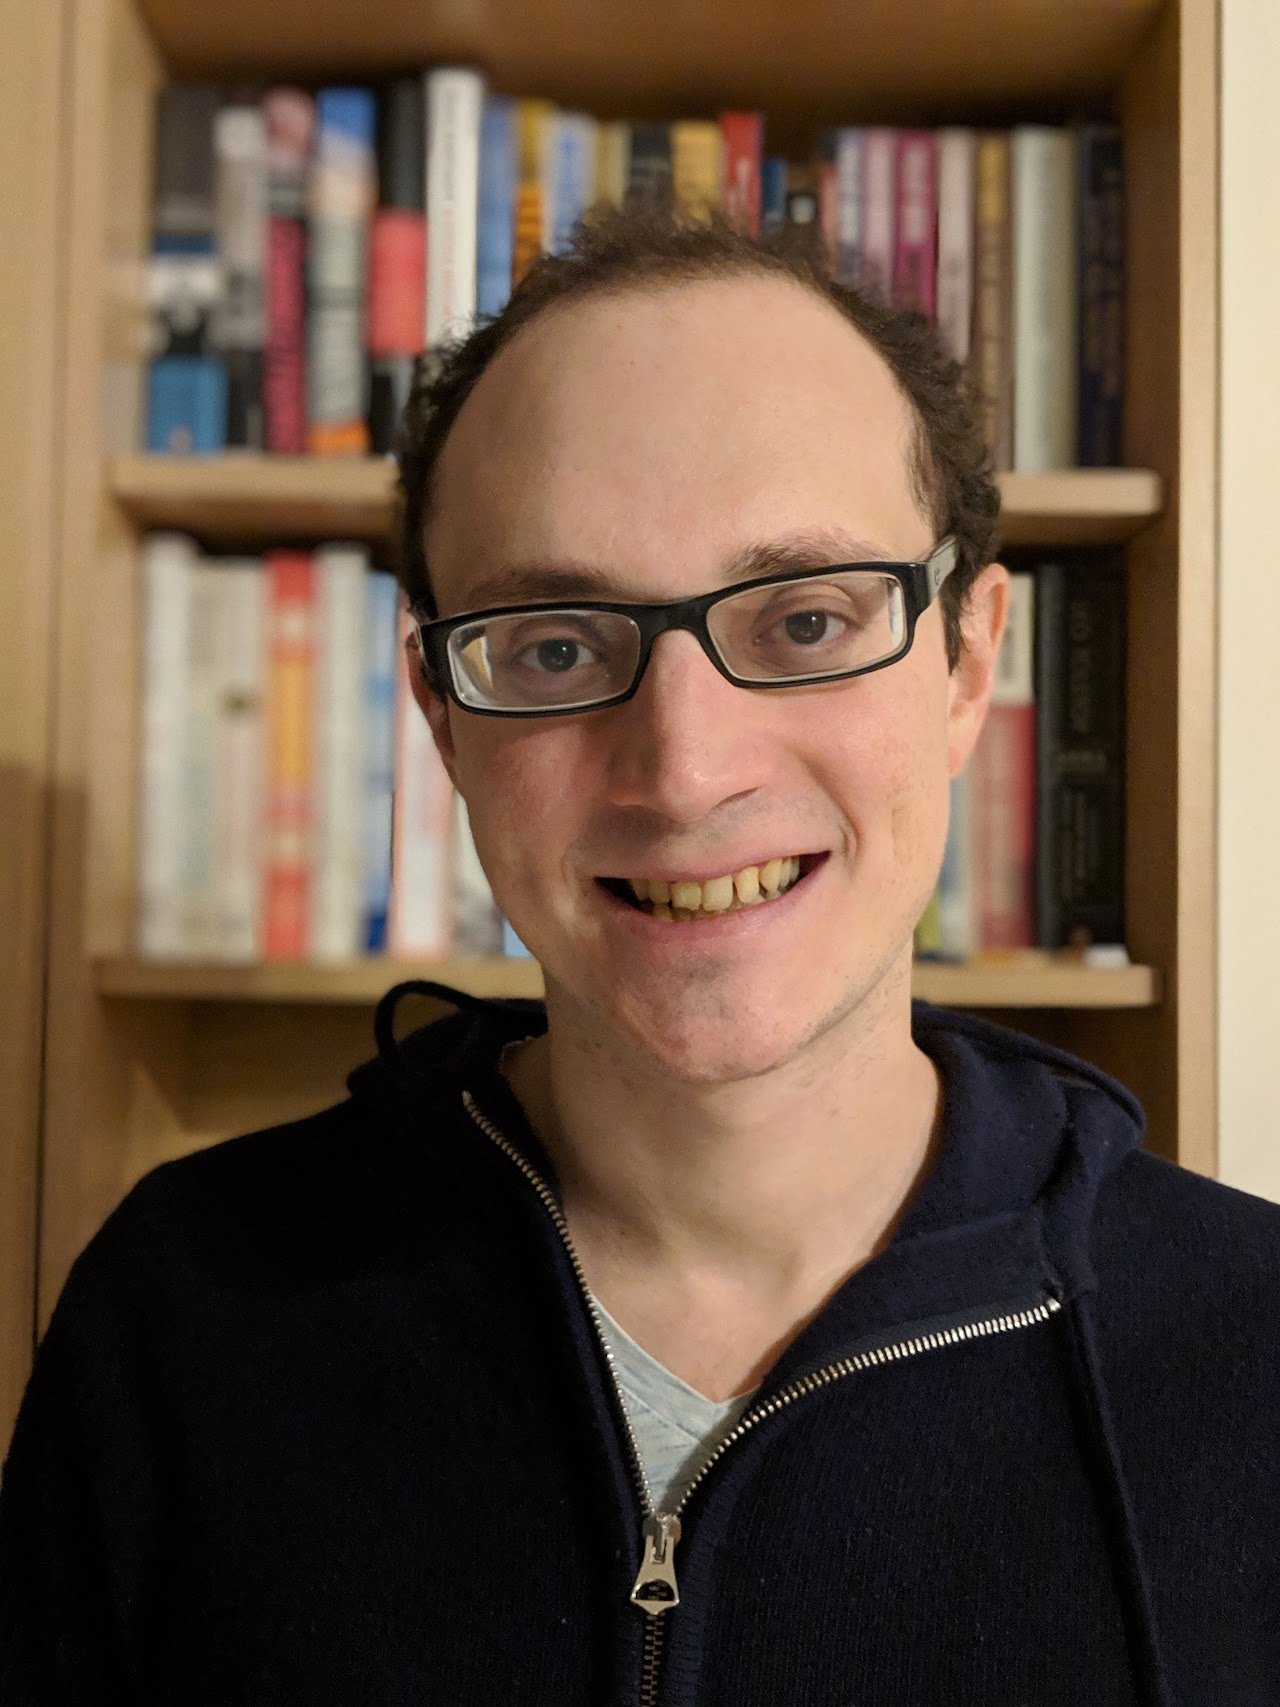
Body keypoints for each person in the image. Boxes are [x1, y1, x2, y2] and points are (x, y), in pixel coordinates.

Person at [2, 204, 1279, 1707]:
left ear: (969, 661)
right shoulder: (188, 1313)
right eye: (554, 643)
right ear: (440, 717)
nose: (682, 769)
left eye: (806, 618)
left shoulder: (1252, 1351)